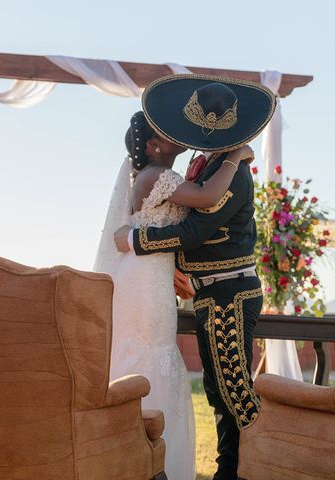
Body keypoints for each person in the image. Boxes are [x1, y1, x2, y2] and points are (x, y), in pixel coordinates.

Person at [115, 74, 276, 480]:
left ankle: (257, 467)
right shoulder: (206, 167)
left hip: (230, 292)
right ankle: (229, 469)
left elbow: (194, 232)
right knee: (218, 391)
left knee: (235, 391)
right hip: (210, 293)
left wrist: (138, 241)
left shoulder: (233, 171)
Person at [95, 109, 252, 480]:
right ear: (154, 146)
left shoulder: (160, 174)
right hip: (144, 280)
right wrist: (236, 154)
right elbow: (206, 197)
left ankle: (150, 455)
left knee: (157, 354)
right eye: (165, 132)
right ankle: (141, 455)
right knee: (148, 355)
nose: (175, 131)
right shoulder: (155, 176)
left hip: (154, 274)